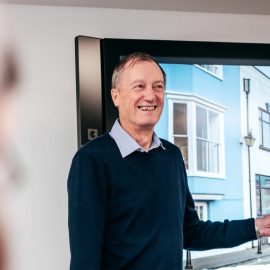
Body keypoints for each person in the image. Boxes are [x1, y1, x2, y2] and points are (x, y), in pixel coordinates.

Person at [68, 52, 270, 270]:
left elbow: (192, 232)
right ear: (115, 96)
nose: (151, 96)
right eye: (139, 86)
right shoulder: (91, 160)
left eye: (158, 87)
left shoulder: (172, 156)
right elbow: (85, 260)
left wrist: (257, 227)